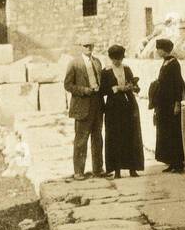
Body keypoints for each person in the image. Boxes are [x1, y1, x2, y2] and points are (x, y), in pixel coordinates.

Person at [99, 43, 145, 178]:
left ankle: (132, 168)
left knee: (131, 135)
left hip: (128, 105)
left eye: (119, 59)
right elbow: (102, 90)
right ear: (111, 58)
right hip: (114, 107)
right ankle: (117, 169)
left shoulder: (127, 69)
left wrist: (132, 87)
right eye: (114, 59)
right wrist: (115, 89)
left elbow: (136, 86)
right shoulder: (106, 71)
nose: (117, 61)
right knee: (115, 136)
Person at [62, 35, 105, 179]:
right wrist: (84, 90)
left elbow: (101, 81)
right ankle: (79, 171)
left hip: (97, 104)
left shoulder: (97, 62)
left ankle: (98, 169)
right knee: (81, 140)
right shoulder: (74, 64)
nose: (88, 48)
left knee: (97, 138)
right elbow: (67, 85)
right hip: (82, 105)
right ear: (80, 47)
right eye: (86, 46)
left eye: (91, 45)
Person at [150, 37, 185, 173]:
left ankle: (178, 163)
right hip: (163, 104)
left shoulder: (174, 63)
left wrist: (177, 103)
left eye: (158, 49)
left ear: (163, 50)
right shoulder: (166, 62)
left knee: (174, 133)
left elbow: (177, 84)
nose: (157, 51)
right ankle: (172, 162)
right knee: (166, 133)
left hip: (171, 104)